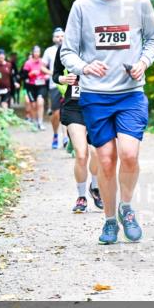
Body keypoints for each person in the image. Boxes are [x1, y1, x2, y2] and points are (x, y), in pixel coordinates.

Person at [59, 0, 154, 245]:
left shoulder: (139, 1)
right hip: (95, 96)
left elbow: (153, 39)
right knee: (105, 161)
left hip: (130, 94)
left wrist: (143, 63)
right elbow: (68, 51)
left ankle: (126, 209)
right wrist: (84, 67)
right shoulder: (82, 7)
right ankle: (108, 221)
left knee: (129, 155)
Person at [53, 41, 103, 213]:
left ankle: (95, 188)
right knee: (82, 154)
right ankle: (81, 196)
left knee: (97, 152)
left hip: (98, 104)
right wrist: (63, 79)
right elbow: (56, 74)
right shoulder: (66, 46)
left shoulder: (100, 42)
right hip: (74, 106)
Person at [42, 28, 66, 149]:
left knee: (67, 111)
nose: (60, 38)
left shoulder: (70, 48)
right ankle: (56, 134)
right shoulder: (49, 51)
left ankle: (66, 137)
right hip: (55, 85)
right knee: (56, 113)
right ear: (53, 38)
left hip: (70, 85)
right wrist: (54, 73)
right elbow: (42, 67)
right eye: (57, 36)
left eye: (62, 36)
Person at [22, 45, 51, 130]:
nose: (37, 53)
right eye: (35, 52)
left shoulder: (43, 62)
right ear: (32, 52)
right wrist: (30, 74)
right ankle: (34, 121)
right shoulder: (28, 63)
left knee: (40, 102)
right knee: (33, 105)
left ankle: (40, 122)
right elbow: (23, 76)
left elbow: (48, 72)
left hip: (41, 86)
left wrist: (46, 76)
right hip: (31, 87)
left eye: (38, 52)